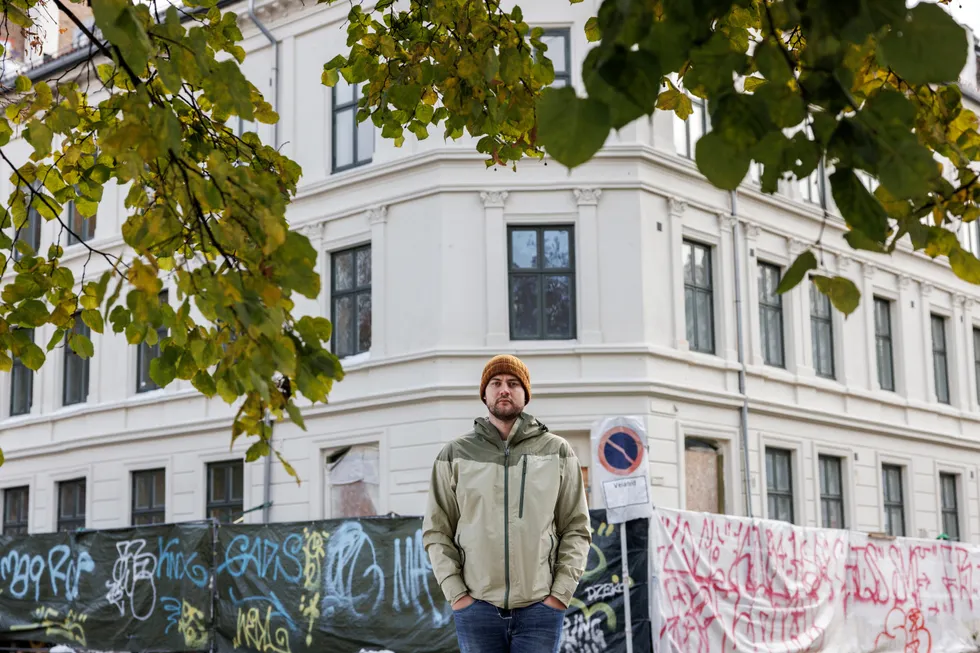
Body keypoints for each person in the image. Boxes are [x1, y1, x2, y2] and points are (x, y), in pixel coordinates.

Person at [422, 354, 592, 653]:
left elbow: (576, 529)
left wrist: (559, 596)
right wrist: (458, 595)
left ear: (525, 395)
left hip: (540, 609)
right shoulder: (455, 454)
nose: (504, 389)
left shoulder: (558, 452)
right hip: (477, 609)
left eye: (513, 383)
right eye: (496, 383)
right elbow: (436, 532)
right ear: (484, 393)